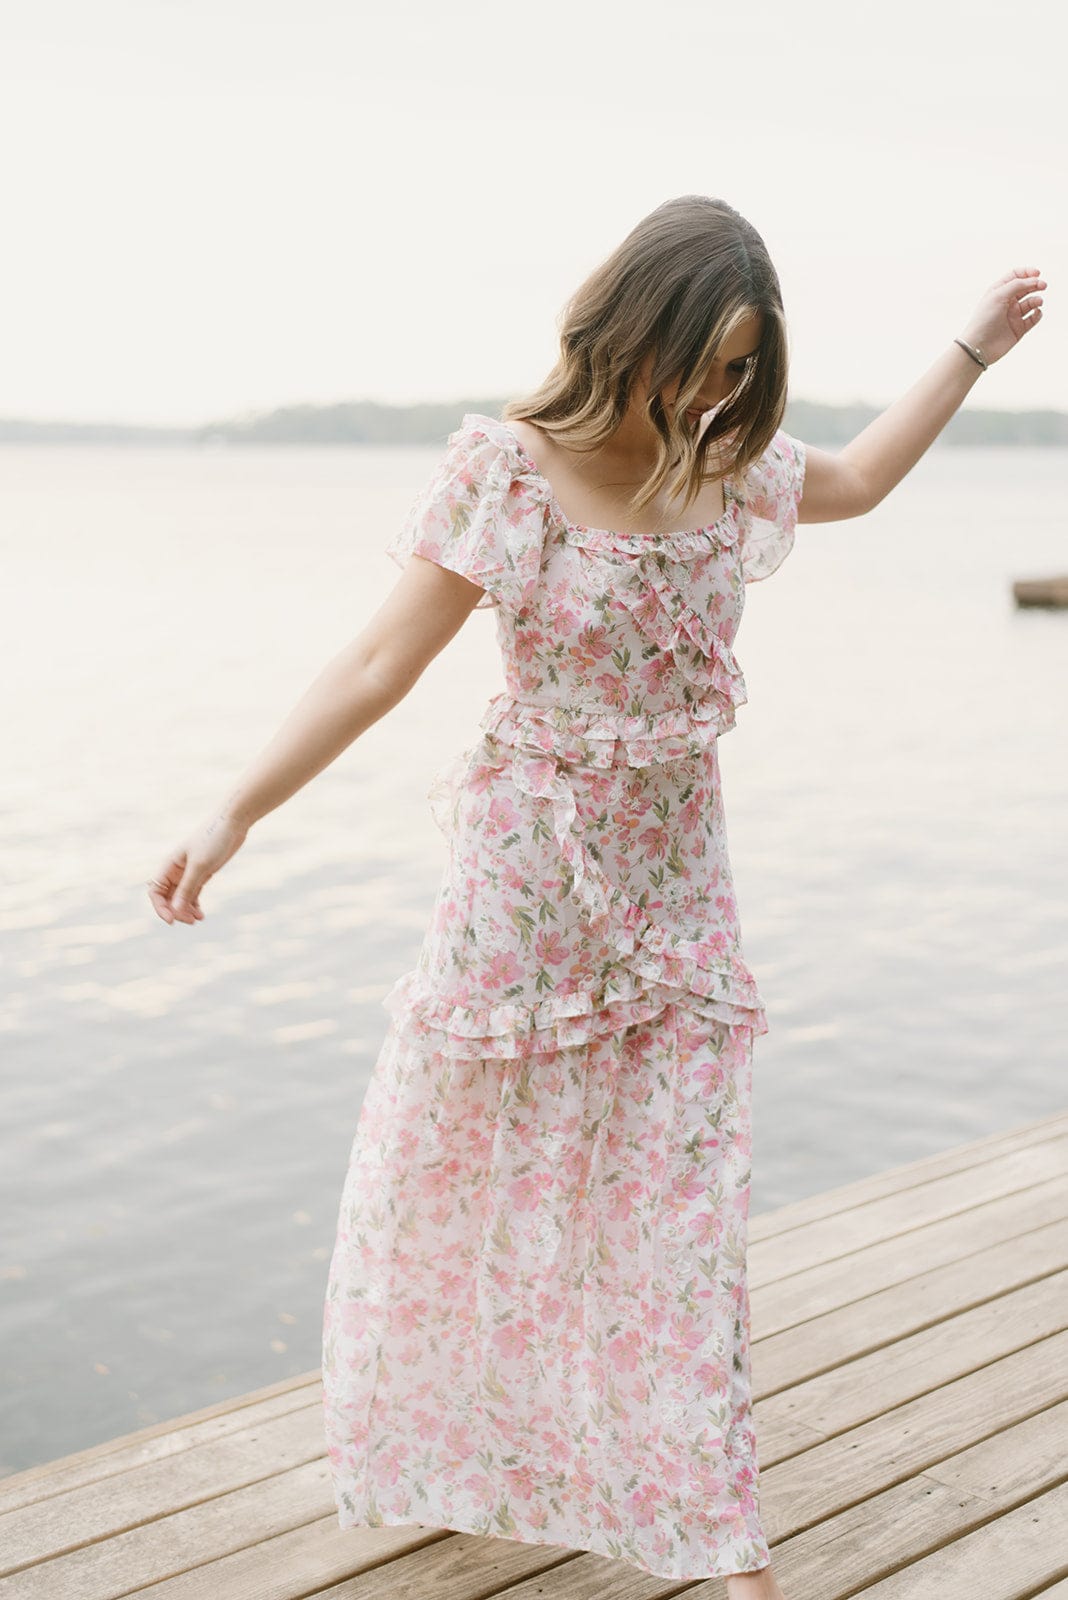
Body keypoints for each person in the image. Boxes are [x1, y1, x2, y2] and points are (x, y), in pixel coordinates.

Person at [146, 195, 1045, 1594]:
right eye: (704, 359)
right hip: (526, 883)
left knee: (680, 1188)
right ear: (637, 327)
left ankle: (713, 1528)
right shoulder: (503, 471)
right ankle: (470, 1445)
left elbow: (860, 480)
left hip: (681, 888)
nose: (717, 390)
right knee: (477, 1160)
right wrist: (233, 812)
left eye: (745, 368)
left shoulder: (728, 471)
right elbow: (381, 665)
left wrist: (972, 347)